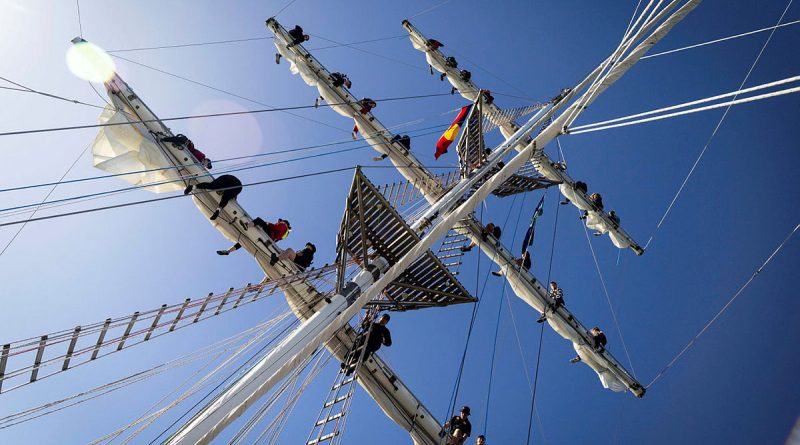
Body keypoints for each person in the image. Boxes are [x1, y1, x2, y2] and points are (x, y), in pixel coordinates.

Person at [215, 217, 291, 256]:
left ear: (284, 222)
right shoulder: (284, 234)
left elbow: (274, 227)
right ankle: (228, 251)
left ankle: (247, 225)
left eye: (279, 221)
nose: (278, 222)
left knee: (258, 220)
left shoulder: (284, 225)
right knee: (245, 239)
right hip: (269, 239)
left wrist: (268, 223)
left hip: (269, 235)